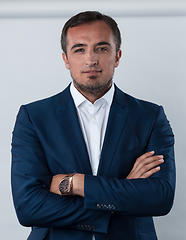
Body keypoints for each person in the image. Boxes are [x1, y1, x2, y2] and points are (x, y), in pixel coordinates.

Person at [11, 11, 175, 240]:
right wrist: (124, 189)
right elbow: (29, 207)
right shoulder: (33, 117)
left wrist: (77, 183)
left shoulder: (150, 116)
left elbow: (160, 197)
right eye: (79, 49)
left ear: (117, 56)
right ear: (66, 59)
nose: (91, 60)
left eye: (101, 48)